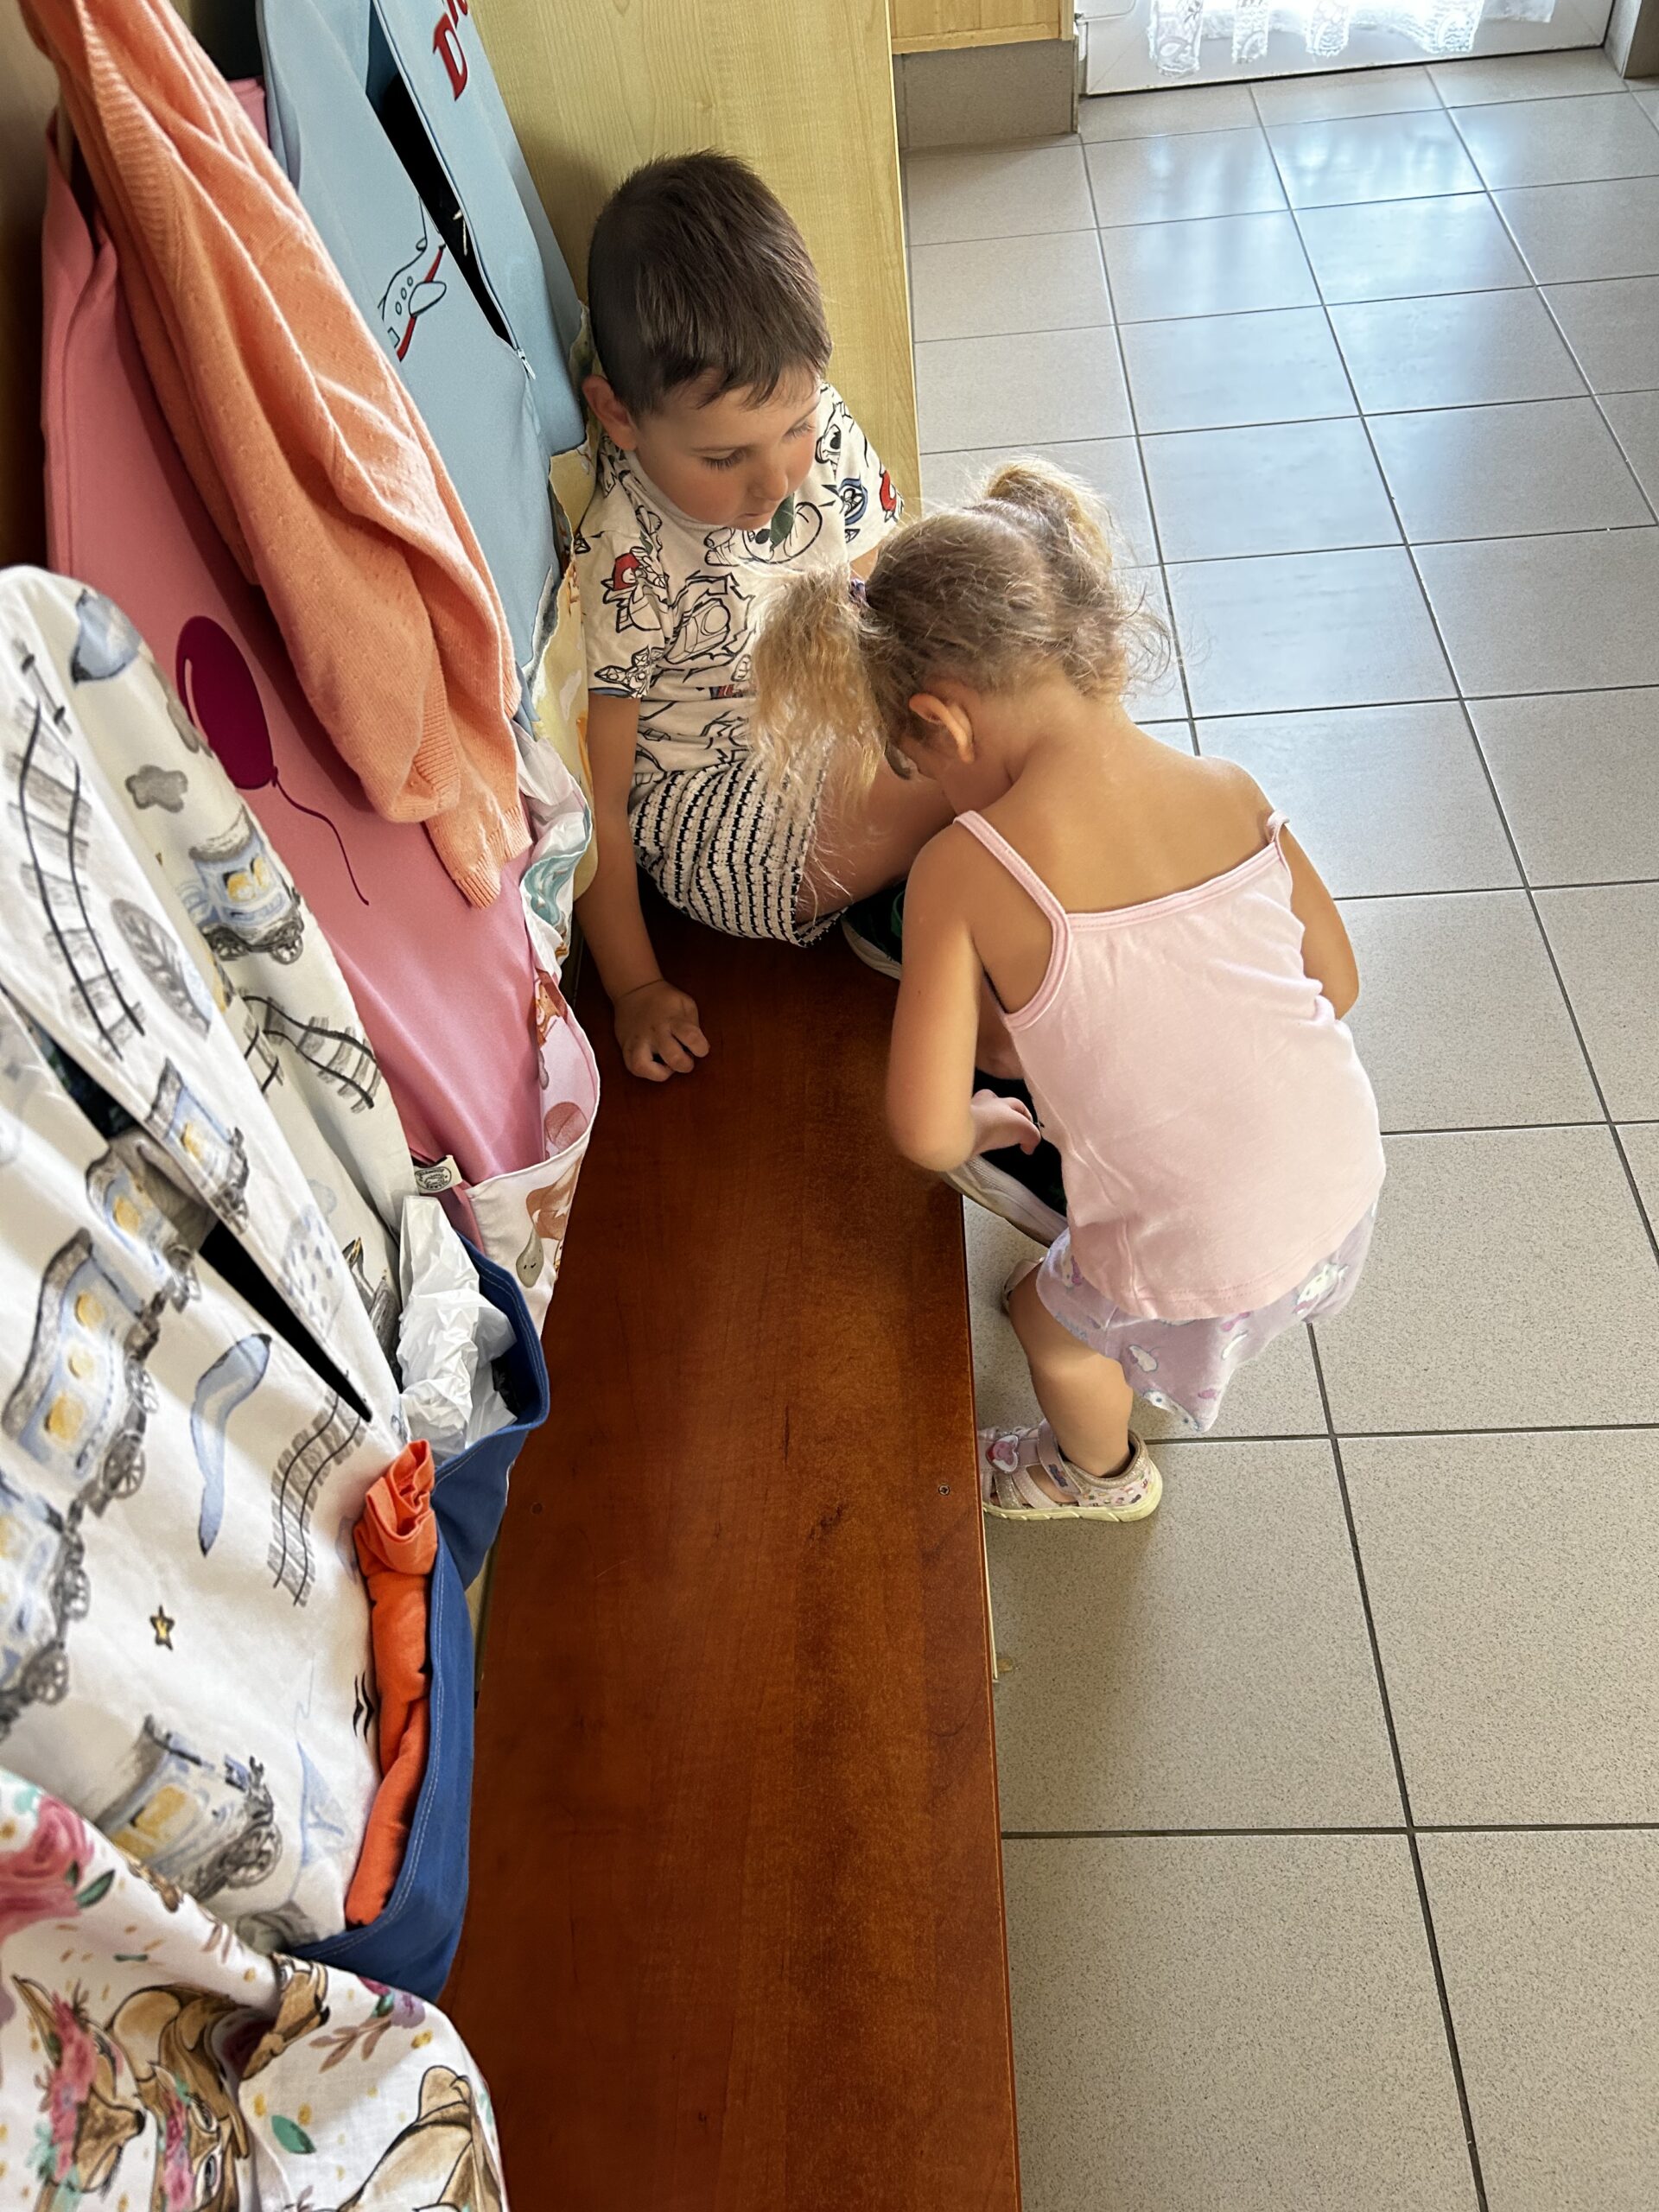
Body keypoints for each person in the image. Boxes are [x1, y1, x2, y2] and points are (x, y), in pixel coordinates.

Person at [750, 461, 1384, 1523]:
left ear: (943, 723)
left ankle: (1097, 1474)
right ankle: (1154, 1311)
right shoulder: (1231, 787)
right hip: (1344, 1193)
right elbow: (1339, 982)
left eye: (922, 767)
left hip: (1205, 1256)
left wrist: (983, 1121)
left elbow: (923, 1128)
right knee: (1146, 1260)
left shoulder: (962, 868)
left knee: (1047, 1327)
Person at [572, 152, 949, 1082]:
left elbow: (881, 597)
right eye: (724, 457)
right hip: (726, 816)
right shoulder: (625, 555)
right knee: (979, 776)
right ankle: (932, 916)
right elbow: (600, 804)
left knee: (1015, 702)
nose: (775, 481)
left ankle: (933, 902)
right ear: (620, 416)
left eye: (795, 428)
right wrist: (633, 986)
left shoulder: (819, 429)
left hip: (834, 730)